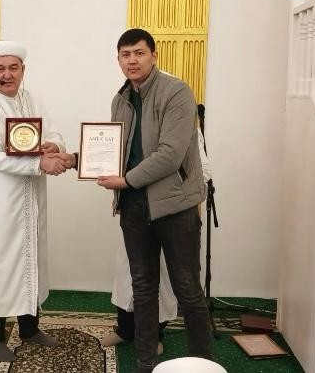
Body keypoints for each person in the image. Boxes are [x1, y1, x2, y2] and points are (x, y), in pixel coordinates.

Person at [97, 29, 213, 372]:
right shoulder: (120, 99)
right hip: (133, 207)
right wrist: (75, 159)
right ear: (118, 59)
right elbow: (113, 151)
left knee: (188, 290)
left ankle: (204, 363)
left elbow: (170, 155)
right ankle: (145, 364)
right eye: (125, 54)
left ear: (154, 55)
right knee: (143, 289)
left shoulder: (177, 92)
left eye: (139, 53)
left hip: (175, 207)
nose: (132, 60)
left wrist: (125, 180)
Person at [0, 40, 74, 362]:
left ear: (23, 70)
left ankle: (29, 329)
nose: (7, 74)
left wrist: (53, 147)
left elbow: (54, 134)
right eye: (0, 68)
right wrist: (39, 164)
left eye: (13, 67)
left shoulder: (33, 100)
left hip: (32, 199)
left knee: (32, 260)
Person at [102, 126, 213, 355]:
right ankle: (125, 330)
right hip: (134, 212)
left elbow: (203, 171)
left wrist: (159, 182)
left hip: (167, 217)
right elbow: (116, 155)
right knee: (128, 275)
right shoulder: (134, 121)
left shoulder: (184, 125)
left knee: (161, 282)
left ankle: (155, 335)